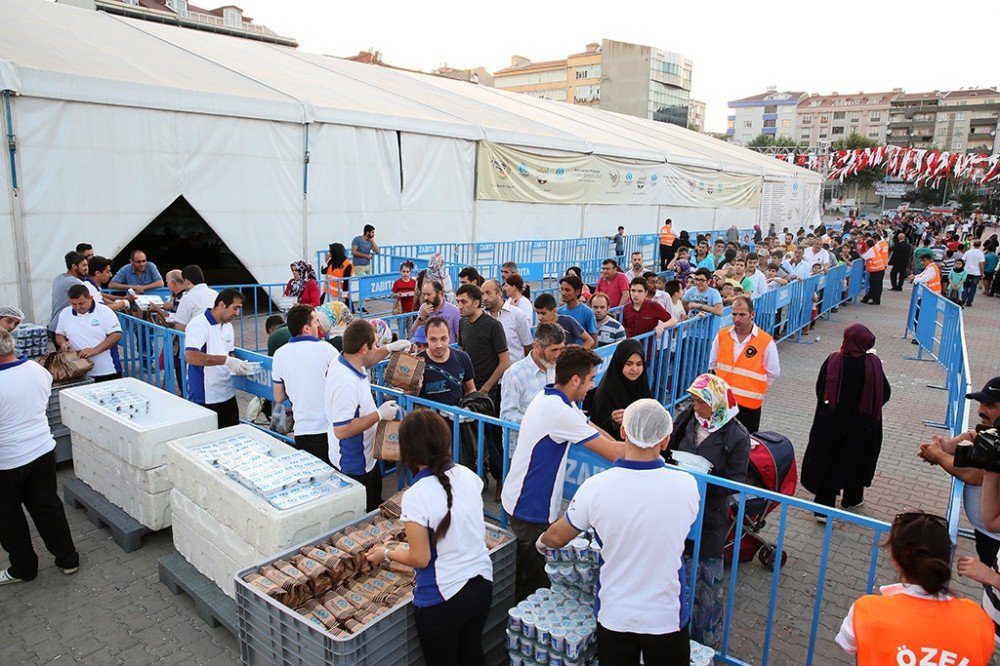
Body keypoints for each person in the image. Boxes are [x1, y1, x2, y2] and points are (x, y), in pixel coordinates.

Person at [540, 399, 699, 665]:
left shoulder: (597, 487)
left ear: (623, 433)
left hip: (615, 614)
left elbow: (556, 537)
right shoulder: (686, 486)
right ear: (665, 440)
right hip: (665, 615)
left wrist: (541, 542)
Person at [364, 411, 493, 665]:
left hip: (444, 598)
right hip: (481, 584)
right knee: (472, 654)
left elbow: (420, 558)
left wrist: (386, 553)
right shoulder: (469, 476)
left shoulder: (417, 495)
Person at [501, 346, 625, 601]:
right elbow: (614, 453)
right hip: (530, 508)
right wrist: (639, 435)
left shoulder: (555, 398)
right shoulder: (560, 411)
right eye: (591, 379)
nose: (592, 386)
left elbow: (590, 427)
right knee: (531, 588)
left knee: (525, 575)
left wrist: (617, 442)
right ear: (575, 380)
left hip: (521, 499)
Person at [837, 512, 993, 666]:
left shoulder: (867, 610)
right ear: (947, 558)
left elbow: (848, 644)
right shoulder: (978, 619)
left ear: (893, 557)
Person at [667, 373, 750, 646]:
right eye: (693, 401)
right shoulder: (687, 420)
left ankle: (704, 642)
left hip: (710, 514)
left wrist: (704, 481)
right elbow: (669, 450)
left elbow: (736, 480)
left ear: (716, 403)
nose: (696, 407)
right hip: (680, 507)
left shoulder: (736, 435)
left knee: (705, 580)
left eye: (701, 403)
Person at [0, 329, 80, 586]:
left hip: (7, 461)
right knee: (48, 507)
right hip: (42, 450)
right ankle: (68, 559)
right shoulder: (38, 371)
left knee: (8, 518)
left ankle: (24, 568)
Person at [801, 324, 890, 518]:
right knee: (856, 462)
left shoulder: (833, 361)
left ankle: (823, 510)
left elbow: (820, 388)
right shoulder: (873, 364)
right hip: (862, 427)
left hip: (831, 424)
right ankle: (852, 500)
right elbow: (885, 393)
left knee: (828, 464)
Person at [325, 319, 411, 511]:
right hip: (354, 462)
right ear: (364, 348)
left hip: (366, 456)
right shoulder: (346, 383)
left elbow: (370, 358)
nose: (377, 348)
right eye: (375, 344)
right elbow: (342, 429)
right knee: (367, 511)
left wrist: (389, 348)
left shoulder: (350, 360)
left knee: (375, 496)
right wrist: (378, 415)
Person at [917, 377, 1000, 566]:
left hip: (995, 540)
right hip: (986, 534)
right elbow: (973, 434)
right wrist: (947, 446)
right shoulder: (994, 433)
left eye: (990, 405)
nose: (980, 411)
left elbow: (974, 475)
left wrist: (938, 455)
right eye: (980, 404)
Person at [456, 283, 510, 495]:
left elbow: (504, 361)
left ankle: (500, 478)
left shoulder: (493, 326)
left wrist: (486, 389)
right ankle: (482, 476)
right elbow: (462, 352)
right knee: (471, 436)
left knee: (490, 436)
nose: (459, 306)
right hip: (469, 390)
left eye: (464, 302)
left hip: (489, 392)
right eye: (458, 302)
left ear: (476, 303)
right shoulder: (463, 324)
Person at [272, 305, 339, 464]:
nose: (318, 325)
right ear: (307, 328)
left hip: (302, 431)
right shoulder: (327, 349)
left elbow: (278, 396)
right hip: (327, 428)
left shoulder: (280, 354)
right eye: (316, 321)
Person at [184, 289, 254, 427]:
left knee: (232, 435)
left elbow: (229, 354)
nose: (237, 313)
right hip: (205, 396)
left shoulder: (228, 326)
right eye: (235, 308)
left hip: (227, 393)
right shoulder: (198, 324)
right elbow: (191, 357)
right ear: (222, 304)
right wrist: (226, 360)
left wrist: (239, 366)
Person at [709, 296, 779, 434]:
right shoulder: (722, 335)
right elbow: (713, 364)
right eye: (734, 314)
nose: (737, 319)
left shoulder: (765, 341)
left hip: (749, 407)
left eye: (742, 315)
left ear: (752, 314)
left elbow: (773, 373)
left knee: (745, 445)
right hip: (723, 403)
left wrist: (754, 389)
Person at [500, 323, 565, 454]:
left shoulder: (557, 367)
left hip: (550, 446)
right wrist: (539, 422)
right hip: (522, 450)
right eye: (553, 350)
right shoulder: (514, 374)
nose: (558, 355)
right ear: (537, 346)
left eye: (561, 349)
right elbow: (507, 416)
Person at [54, 285, 123, 382]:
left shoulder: (105, 311)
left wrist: (94, 350)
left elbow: (116, 335)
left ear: (90, 298)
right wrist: (63, 343)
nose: (78, 307)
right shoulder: (65, 313)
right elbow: (59, 334)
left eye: (81, 303)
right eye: (74, 304)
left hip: (106, 370)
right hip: (78, 370)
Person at [586, 339, 650, 436]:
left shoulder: (642, 384)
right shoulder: (607, 390)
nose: (634, 369)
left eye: (639, 364)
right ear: (620, 363)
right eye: (629, 364)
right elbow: (598, 425)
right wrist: (614, 422)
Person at [417, 317, 475, 407]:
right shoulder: (417, 362)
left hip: (456, 418)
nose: (439, 345)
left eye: (443, 339)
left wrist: (469, 408)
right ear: (426, 338)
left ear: (449, 337)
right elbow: (408, 397)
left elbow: (471, 389)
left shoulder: (463, 357)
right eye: (433, 339)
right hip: (427, 419)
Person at [482, 280, 532, 364]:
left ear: (499, 294)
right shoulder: (482, 317)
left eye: (488, 293)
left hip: (515, 372)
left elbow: (528, 345)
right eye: (482, 294)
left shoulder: (517, 315)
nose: (484, 298)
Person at [48, 251, 88, 339]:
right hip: (63, 329)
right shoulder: (75, 282)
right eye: (84, 265)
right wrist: (122, 303)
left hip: (55, 326)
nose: (86, 268)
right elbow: (94, 299)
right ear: (74, 266)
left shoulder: (59, 278)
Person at [557, 275, 598, 340]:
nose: (563, 293)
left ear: (577, 292)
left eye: (567, 290)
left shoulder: (588, 312)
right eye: (562, 289)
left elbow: (594, 340)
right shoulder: (558, 312)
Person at [859, 239, 886, 305]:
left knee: (875, 286)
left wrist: (860, 252)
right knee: (876, 286)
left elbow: (864, 256)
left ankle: (875, 300)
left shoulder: (871, 250)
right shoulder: (874, 249)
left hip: (876, 270)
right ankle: (868, 299)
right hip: (879, 269)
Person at [962, 239, 986, 307]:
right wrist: (982, 272)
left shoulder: (968, 252)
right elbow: (981, 264)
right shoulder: (981, 253)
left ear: (973, 244)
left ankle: (964, 298)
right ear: (980, 245)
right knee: (973, 287)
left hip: (967, 271)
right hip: (976, 273)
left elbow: (963, 260)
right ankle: (969, 302)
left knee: (965, 286)